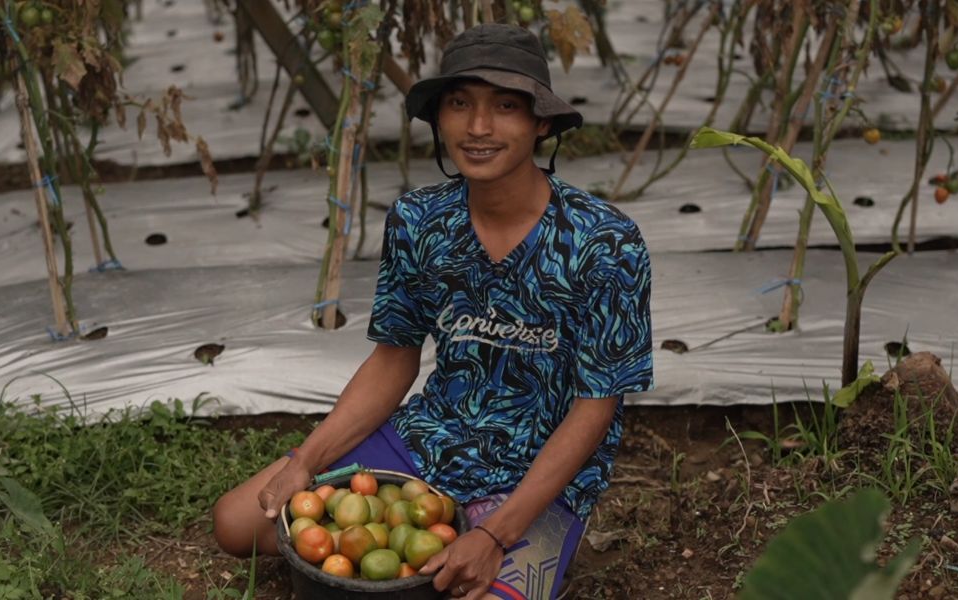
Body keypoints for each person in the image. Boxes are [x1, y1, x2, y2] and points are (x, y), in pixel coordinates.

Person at [212, 23, 653, 600]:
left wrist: (497, 532)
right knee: (236, 523)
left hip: (539, 467)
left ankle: (530, 543)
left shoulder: (605, 242)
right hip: (435, 436)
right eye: (459, 103)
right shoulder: (420, 222)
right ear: (439, 116)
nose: (477, 127)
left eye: (505, 107)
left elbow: (597, 405)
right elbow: (394, 359)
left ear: (541, 122)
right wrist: (308, 458)